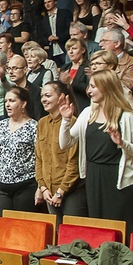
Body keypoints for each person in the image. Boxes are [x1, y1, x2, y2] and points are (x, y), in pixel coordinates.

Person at [58, 70, 133, 235]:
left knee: (121, 230)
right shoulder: (87, 114)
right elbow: (65, 143)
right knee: (99, 229)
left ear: (106, 88)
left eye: (93, 86)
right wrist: (65, 120)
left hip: (118, 180)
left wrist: (123, 143)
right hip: (94, 177)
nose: (88, 91)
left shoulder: (128, 117)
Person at [35, 81, 86, 225]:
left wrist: (61, 191)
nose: (43, 99)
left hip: (71, 191)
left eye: (48, 95)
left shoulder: (74, 122)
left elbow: (74, 162)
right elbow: (39, 158)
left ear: (61, 98)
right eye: (42, 96)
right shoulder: (42, 123)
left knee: (72, 234)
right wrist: (42, 187)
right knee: (55, 236)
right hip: (49, 192)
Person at [0, 87, 38, 216]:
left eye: (12, 101)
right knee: (3, 224)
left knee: (21, 225)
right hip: (3, 187)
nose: (7, 104)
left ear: (23, 104)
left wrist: (41, 186)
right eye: (6, 101)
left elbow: (40, 158)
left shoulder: (34, 126)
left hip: (25, 185)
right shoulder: (1, 125)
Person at [60, 38, 90, 112]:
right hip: (67, 106)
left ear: (83, 50)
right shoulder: (65, 67)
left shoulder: (89, 66)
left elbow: (89, 89)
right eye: (68, 49)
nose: (71, 52)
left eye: (74, 48)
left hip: (83, 106)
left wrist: (71, 81)